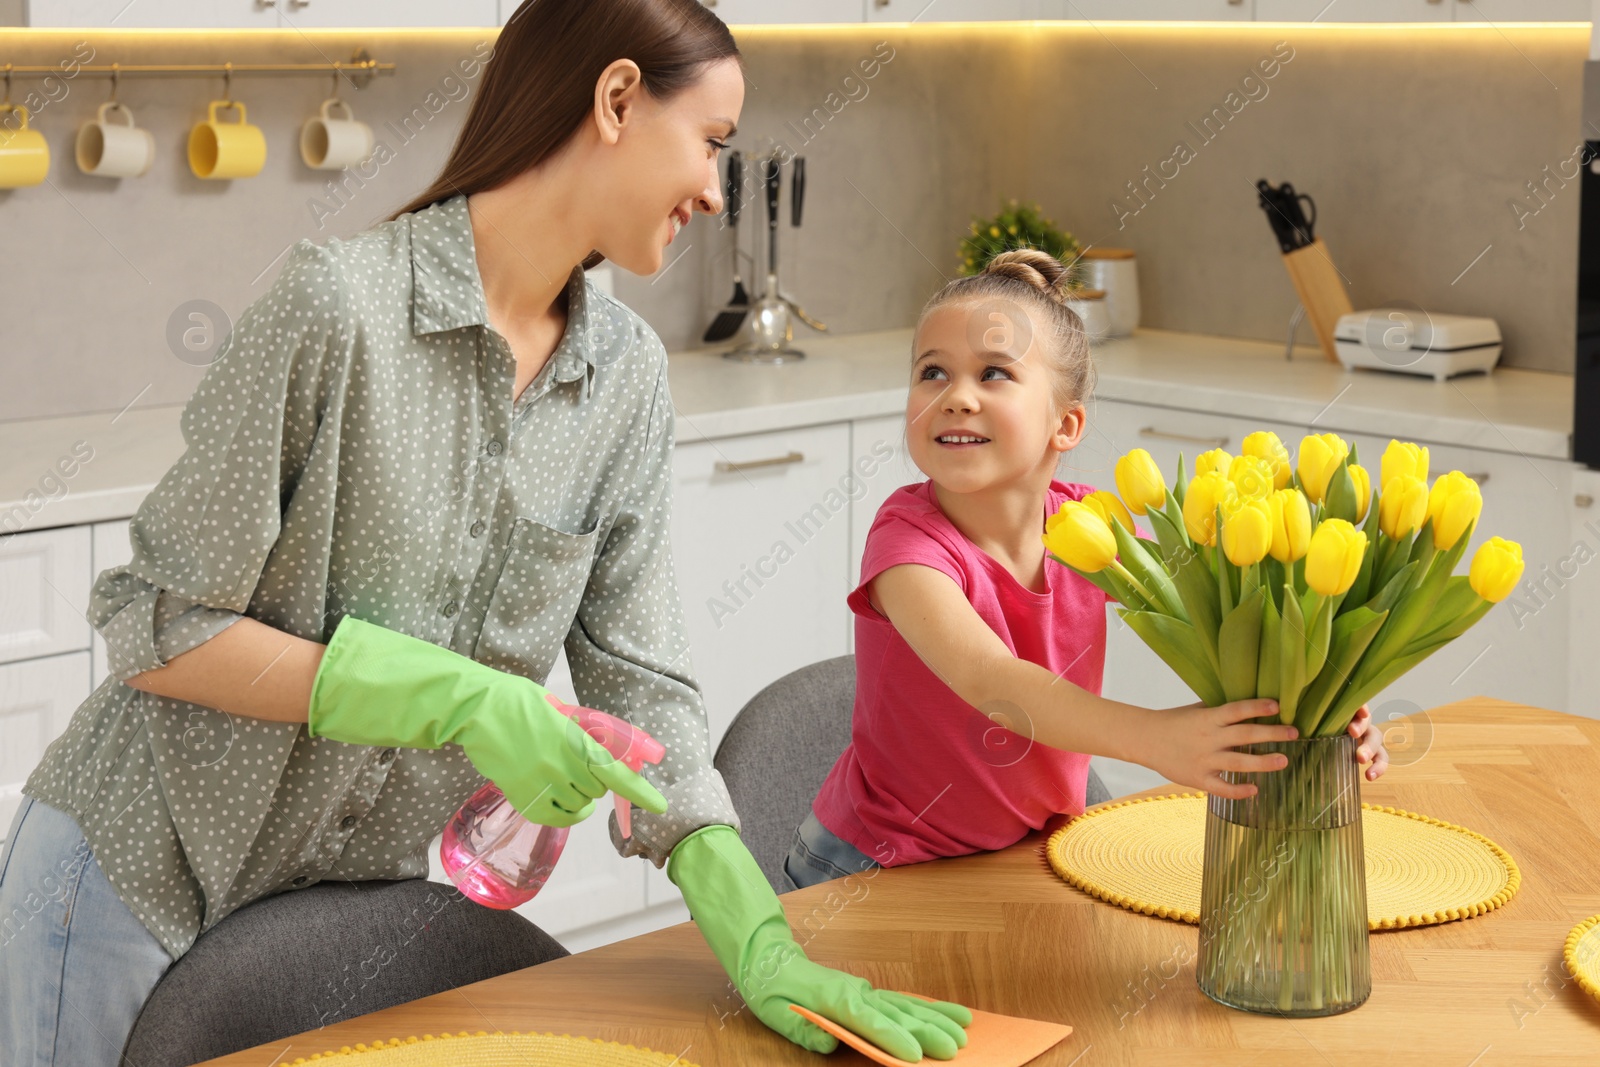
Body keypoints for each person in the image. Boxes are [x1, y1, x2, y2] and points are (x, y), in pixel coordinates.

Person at [0, 2, 970, 1062]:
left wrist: (757, 932)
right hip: (131, 876)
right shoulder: (339, 311)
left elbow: (645, 687)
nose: (712, 189)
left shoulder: (625, 382)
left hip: (349, 902)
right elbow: (156, 624)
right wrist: (460, 698)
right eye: (711, 142)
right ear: (614, 100)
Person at [785, 248, 1391, 890]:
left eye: (993, 374)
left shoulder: (1092, 532)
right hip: (876, 865)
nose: (956, 397)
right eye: (932, 372)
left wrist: (1323, 710)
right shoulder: (907, 545)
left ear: (1065, 424)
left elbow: (1223, 619)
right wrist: (1157, 739)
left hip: (1023, 854)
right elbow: (993, 681)